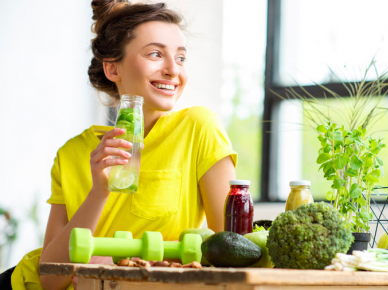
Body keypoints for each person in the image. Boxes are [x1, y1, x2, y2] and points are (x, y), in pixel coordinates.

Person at [8, 1, 237, 289]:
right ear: (113, 69)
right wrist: (99, 190)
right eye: (155, 54)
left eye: (180, 58)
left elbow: (233, 251)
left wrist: (110, 261)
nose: (172, 70)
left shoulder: (199, 128)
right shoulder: (72, 153)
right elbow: (51, 279)